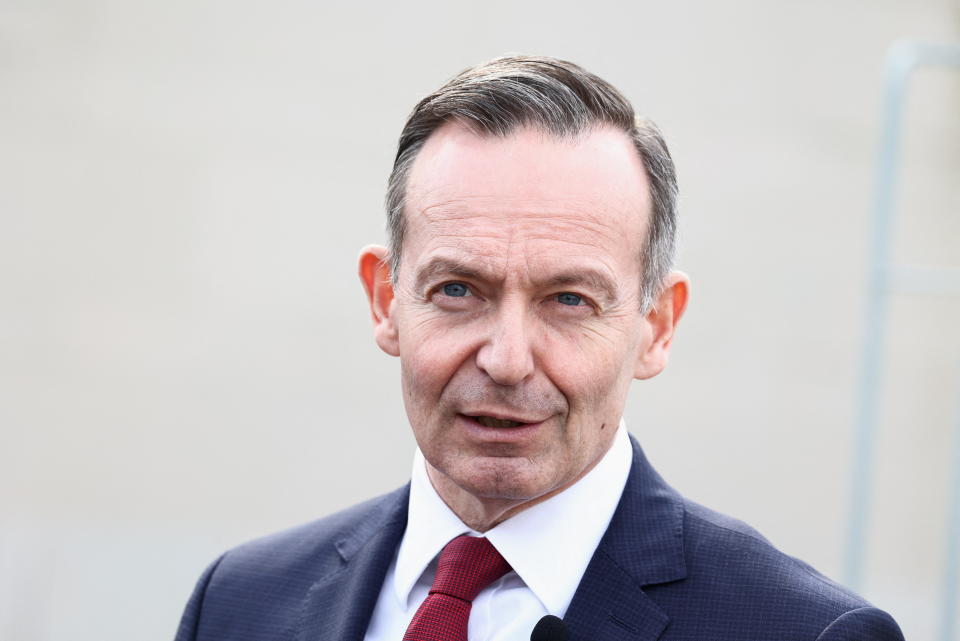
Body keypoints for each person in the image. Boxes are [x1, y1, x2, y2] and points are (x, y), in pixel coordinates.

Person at [174, 55, 904, 641]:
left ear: (657, 325)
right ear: (384, 300)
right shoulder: (240, 605)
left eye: (568, 300)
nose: (508, 359)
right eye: (459, 289)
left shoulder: (805, 632)